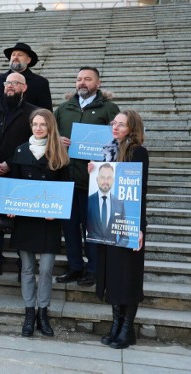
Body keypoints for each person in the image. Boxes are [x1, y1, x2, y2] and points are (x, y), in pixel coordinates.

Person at [7, 108, 70, 337]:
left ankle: (43, 311)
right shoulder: (21, 150)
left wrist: (58, 210)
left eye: (43, 124)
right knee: (27, 268)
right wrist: (11, 206)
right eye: (35, 124)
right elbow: (13, 184)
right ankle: (29, 313)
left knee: (45, 269)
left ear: (50, 126)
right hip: (25, 219)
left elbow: (65, 188)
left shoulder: (59, 152)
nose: (39, 128)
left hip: (48, 221)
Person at [55, 66, 120, 287]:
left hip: (93, 181)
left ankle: (93, 269)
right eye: (79, 79)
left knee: (91, 229)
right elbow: (50, 135)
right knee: (70, 228)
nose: (82, 82)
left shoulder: (109, 109)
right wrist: (58, 141)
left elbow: (117, 142)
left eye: (88, 79)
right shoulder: (64, 109)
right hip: (66, 178)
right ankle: (75, 267)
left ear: (98, 83)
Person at [94, 110, 149, 350]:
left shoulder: (137, 152)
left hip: (128, 221)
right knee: (114, 276)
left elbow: (139, 192)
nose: (115, 128)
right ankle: (116, 325)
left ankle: (127, 329)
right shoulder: (108, 150)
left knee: (128, 276)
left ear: (132, 128)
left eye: (121, 125)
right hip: (108, 222)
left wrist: (139, 227)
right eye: (113, 123)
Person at [0, 72, 37, 279]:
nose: (10, 86)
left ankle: (21, 264)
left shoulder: (33, 113)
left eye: (15, 83)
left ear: (24, 88)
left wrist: (10, 163)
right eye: (8, 83)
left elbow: (33, 144)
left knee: (21, 222)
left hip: (20, 175)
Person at [0, 43, 52, 111]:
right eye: (13, 55)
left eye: (20, 55)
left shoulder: (40, 83)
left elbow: (46, 112)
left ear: (28, 60)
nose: (15, 57)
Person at [87, 163, 128, 246]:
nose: (105, 181)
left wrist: (116, 249)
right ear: (97, 179)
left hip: (113, 253)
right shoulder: (88, 201)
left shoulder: (120, 204)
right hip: (93, 251)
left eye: (108, 178)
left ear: (113, 180)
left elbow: (125, 236)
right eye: (102, 177)